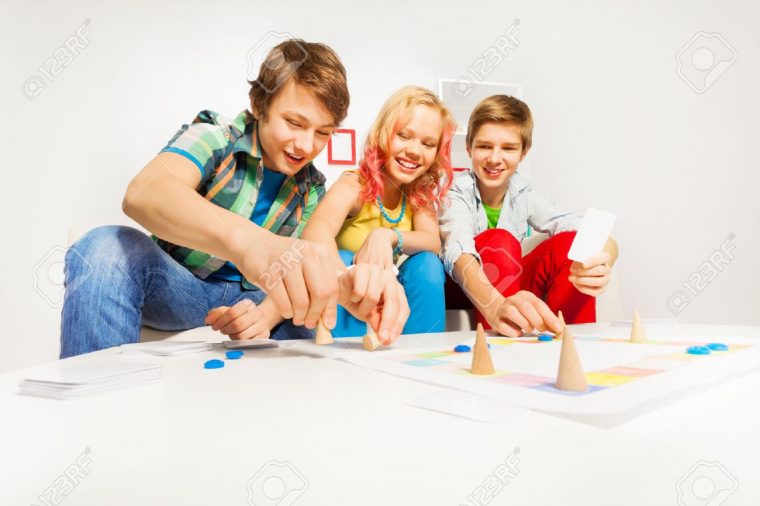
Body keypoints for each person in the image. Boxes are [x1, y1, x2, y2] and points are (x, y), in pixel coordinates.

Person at [60, 39, 406, 358]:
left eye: (323, 133)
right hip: (180, 287)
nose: (306, 145)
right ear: (259, 104)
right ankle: (94, 413)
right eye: (293, 123)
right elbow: (144, 192)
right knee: (105, 247)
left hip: (254, 300)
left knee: (306, 318)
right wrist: (249, 243)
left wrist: (347, 289)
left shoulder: (312, 186)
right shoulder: (216, 136)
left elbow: (313, 256)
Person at [439, 95, 618, 337]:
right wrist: (494, 305)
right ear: (469, 147)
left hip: (509, 285)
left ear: (524, 153)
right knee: (499, 241)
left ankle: (571, 344)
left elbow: (579, 224)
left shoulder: (523, 192)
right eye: (485, 146)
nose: (494, 158)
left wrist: (603, 262)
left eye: (509, 148)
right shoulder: (456, 190)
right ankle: (503, 349)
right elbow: (457, 249)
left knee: (570, 243)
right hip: (466, 287)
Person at [297, 85, 456, 339]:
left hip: (394, 298)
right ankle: (344, 354)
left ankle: (425, 349)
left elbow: (432, 241)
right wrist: (345, 275)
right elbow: (316, 230)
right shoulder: (355, 184)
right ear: (383, 135)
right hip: (352, 297)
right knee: (346, 256)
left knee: (427, 263)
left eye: (428, 144)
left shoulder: (419, 193)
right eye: (404, 136)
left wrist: (387, 236)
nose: (415, 151)